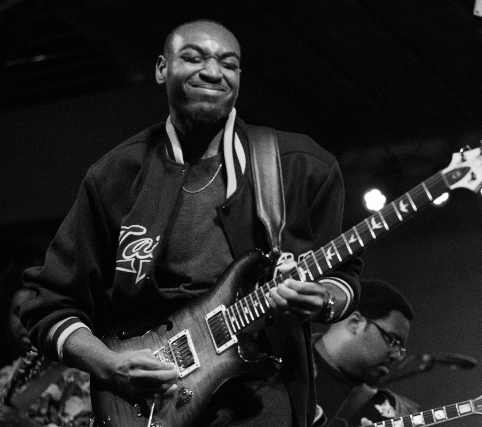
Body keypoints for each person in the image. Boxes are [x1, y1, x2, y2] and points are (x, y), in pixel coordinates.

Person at [20, 19, 361, 427]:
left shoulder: (301, 166)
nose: (213, 72)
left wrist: (323, 300)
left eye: (228, 63)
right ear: (162, 68)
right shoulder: (115, 175)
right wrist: (109, 366)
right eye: (194, 57)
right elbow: (50, 304)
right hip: (146, 406)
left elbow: (343, 279)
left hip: (265, 405)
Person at [312, 279, 417, 427]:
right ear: (355, 323)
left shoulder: (394, 414)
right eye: (393, 341)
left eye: (400, 348)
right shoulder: (285, 366)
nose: (397, 355)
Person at [1, 262, 93, 427]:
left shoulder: (79, 374)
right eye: (17, 312)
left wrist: (22, 424)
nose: (24, 320)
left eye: (33, 311)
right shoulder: (5, 375)